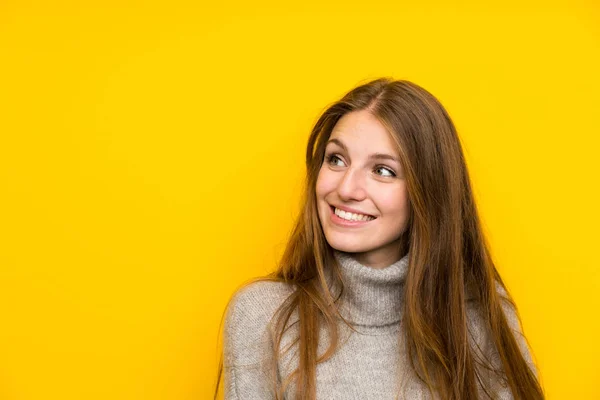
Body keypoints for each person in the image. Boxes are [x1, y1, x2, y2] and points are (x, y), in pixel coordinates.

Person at [213, 77, 545, 399]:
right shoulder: (264, 316)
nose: (345, 188)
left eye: (382, 170)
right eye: (336, 160)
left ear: (427, 191)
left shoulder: (478, 316)